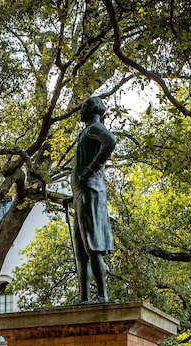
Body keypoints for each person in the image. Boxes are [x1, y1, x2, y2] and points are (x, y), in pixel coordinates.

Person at [67, 96, 117, 304]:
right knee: (81, 251)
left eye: (84, 106)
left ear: (93, 108)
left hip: (90, 193)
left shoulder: (94, 128)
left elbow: (111, 141)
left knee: (92, 246)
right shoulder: (86, 131)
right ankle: (85, 297)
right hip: (81, 195)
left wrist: (91, 170)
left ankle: (102, 295)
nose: (81, 109)